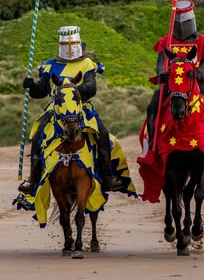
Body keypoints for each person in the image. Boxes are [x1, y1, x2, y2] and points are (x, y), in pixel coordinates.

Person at [18, 25, 125, 194]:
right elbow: (41, 90)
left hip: (82, 107)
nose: (69, 48)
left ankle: (107, 177)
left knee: (102, 134)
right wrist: (31, 86)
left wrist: (72, 93)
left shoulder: (87, 63)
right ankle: (33, 180)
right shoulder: (49, 66)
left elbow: (91, 87)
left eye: (72, 44)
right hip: (56, 108)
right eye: (65, 45)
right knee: (38, 136)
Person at [145, 0, 204, 161]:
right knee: (152, 107)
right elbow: (161, 64)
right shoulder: (166, 41)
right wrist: (162, 74)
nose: (182, 26)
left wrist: (200, 73)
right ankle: (153, 145)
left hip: (196, 85)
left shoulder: (202, 41)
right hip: (172, 85)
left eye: (185, 21)